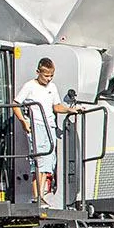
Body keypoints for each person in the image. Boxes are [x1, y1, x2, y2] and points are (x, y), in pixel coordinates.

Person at [14, 57, 74, 205]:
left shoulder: (52, 87)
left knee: (48, 161)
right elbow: (15, 104)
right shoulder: (29, 86)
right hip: (36, 126)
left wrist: (70, 109)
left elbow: (56, 107)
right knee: (38, 160)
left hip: (50, 126)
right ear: (38, 72)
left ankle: (41, 195)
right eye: (46, 75)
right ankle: (37, 196)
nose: (49, 79)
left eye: (51, 76)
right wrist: (23, 121)